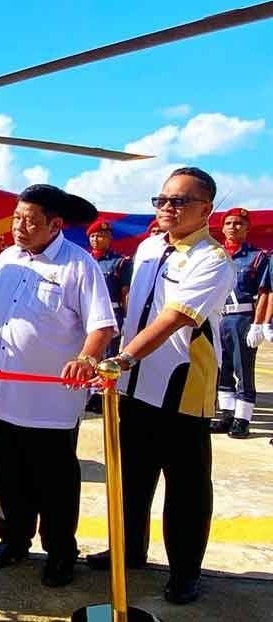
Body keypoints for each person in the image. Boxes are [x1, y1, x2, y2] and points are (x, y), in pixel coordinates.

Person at [87, 166, 236, 605]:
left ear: (206, 209)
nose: (167, 208)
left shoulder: (212, 259)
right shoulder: (150, 248)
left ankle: (185, 571)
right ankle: (130, 551)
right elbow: (137, 309)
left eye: (179, 201)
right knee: (130, 477)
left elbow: (176, 318)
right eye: (162, 200)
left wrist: (124, 355)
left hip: (181, 389)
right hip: (132, 386)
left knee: (186, 489)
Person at [0, 185, 114, 588]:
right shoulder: (6, 259)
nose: (19, 226)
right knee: (7, 474)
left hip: (51, 401)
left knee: (54, 481)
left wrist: (86, 359)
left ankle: (59, 551)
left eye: (30, 221)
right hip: (2, 393)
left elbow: (101, 326)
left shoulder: (79, 265)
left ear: (55, 225)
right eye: (17, 217)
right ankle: (14, 539)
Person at [211, 208, 269, 439]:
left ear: (247, 229)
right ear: (222, 228)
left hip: (242, 318)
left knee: (242, 368)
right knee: (222, 367)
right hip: (218, 317)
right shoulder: (215, 255)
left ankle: (243, 419)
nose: (234, 227)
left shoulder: (257, 257)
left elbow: (265, 292)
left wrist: (259, 323)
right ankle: (227, 414)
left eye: (239, 223)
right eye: (229, 223)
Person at [85, 219, 132, 413]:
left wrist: (127, 317)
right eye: (93, 236)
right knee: (89, 353)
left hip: (112, 312)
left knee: (109, 355)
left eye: (101, 235)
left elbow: (125, 292)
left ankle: (106, 392)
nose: (96, 239)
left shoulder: (120, 262)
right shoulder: (84, 260)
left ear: (109, 237)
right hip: (86, 313)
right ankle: (91, 392)